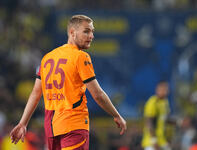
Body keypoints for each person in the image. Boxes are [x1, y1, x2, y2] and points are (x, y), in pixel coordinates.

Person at [10, 15, 127, 150]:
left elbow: (35, 94)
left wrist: (23, 123)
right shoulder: (81, 57)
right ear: (72, 32)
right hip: (74, 125)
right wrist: (116, 115)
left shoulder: (47, 58)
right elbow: (98, 95)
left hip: (51, 128)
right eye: (86, 31)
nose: (91, 36)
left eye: (92, 32)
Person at [141, 81, 171, 150]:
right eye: (162, 90)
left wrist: (179, 122)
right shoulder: (153, 102)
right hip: (151, 142)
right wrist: (154, 140)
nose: (164, 92)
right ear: (157, 90)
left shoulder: (165, 102)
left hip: (162, 141)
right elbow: (149, 122)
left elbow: (165, 120)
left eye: (166, 90)